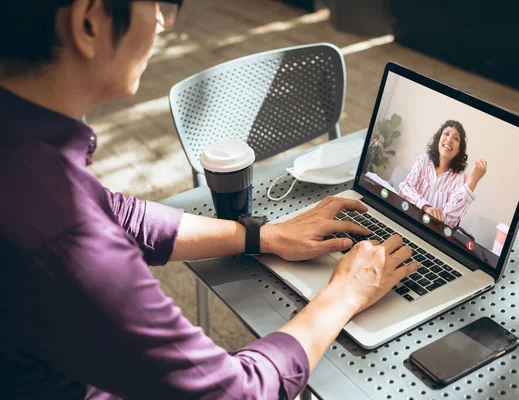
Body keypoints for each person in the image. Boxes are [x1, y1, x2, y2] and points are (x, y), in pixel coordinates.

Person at [0, 1, 420, 399]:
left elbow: (119, 214)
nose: (164, 22)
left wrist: (264, 234)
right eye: (159, 3)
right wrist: (345, 293)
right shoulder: (62, 232)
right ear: (88, 22)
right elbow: (236, 392)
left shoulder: (28, 156)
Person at [398, 120, 487, 228]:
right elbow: (405, 188)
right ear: (439, 139)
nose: (449, 139)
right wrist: (426, 207)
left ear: (458, 150)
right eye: (446, 134)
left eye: (456, 138)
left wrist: (472, 182)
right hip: (406, 221)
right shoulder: (424, 160)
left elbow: (450, 220)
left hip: (432, 233)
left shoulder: (460, 178)